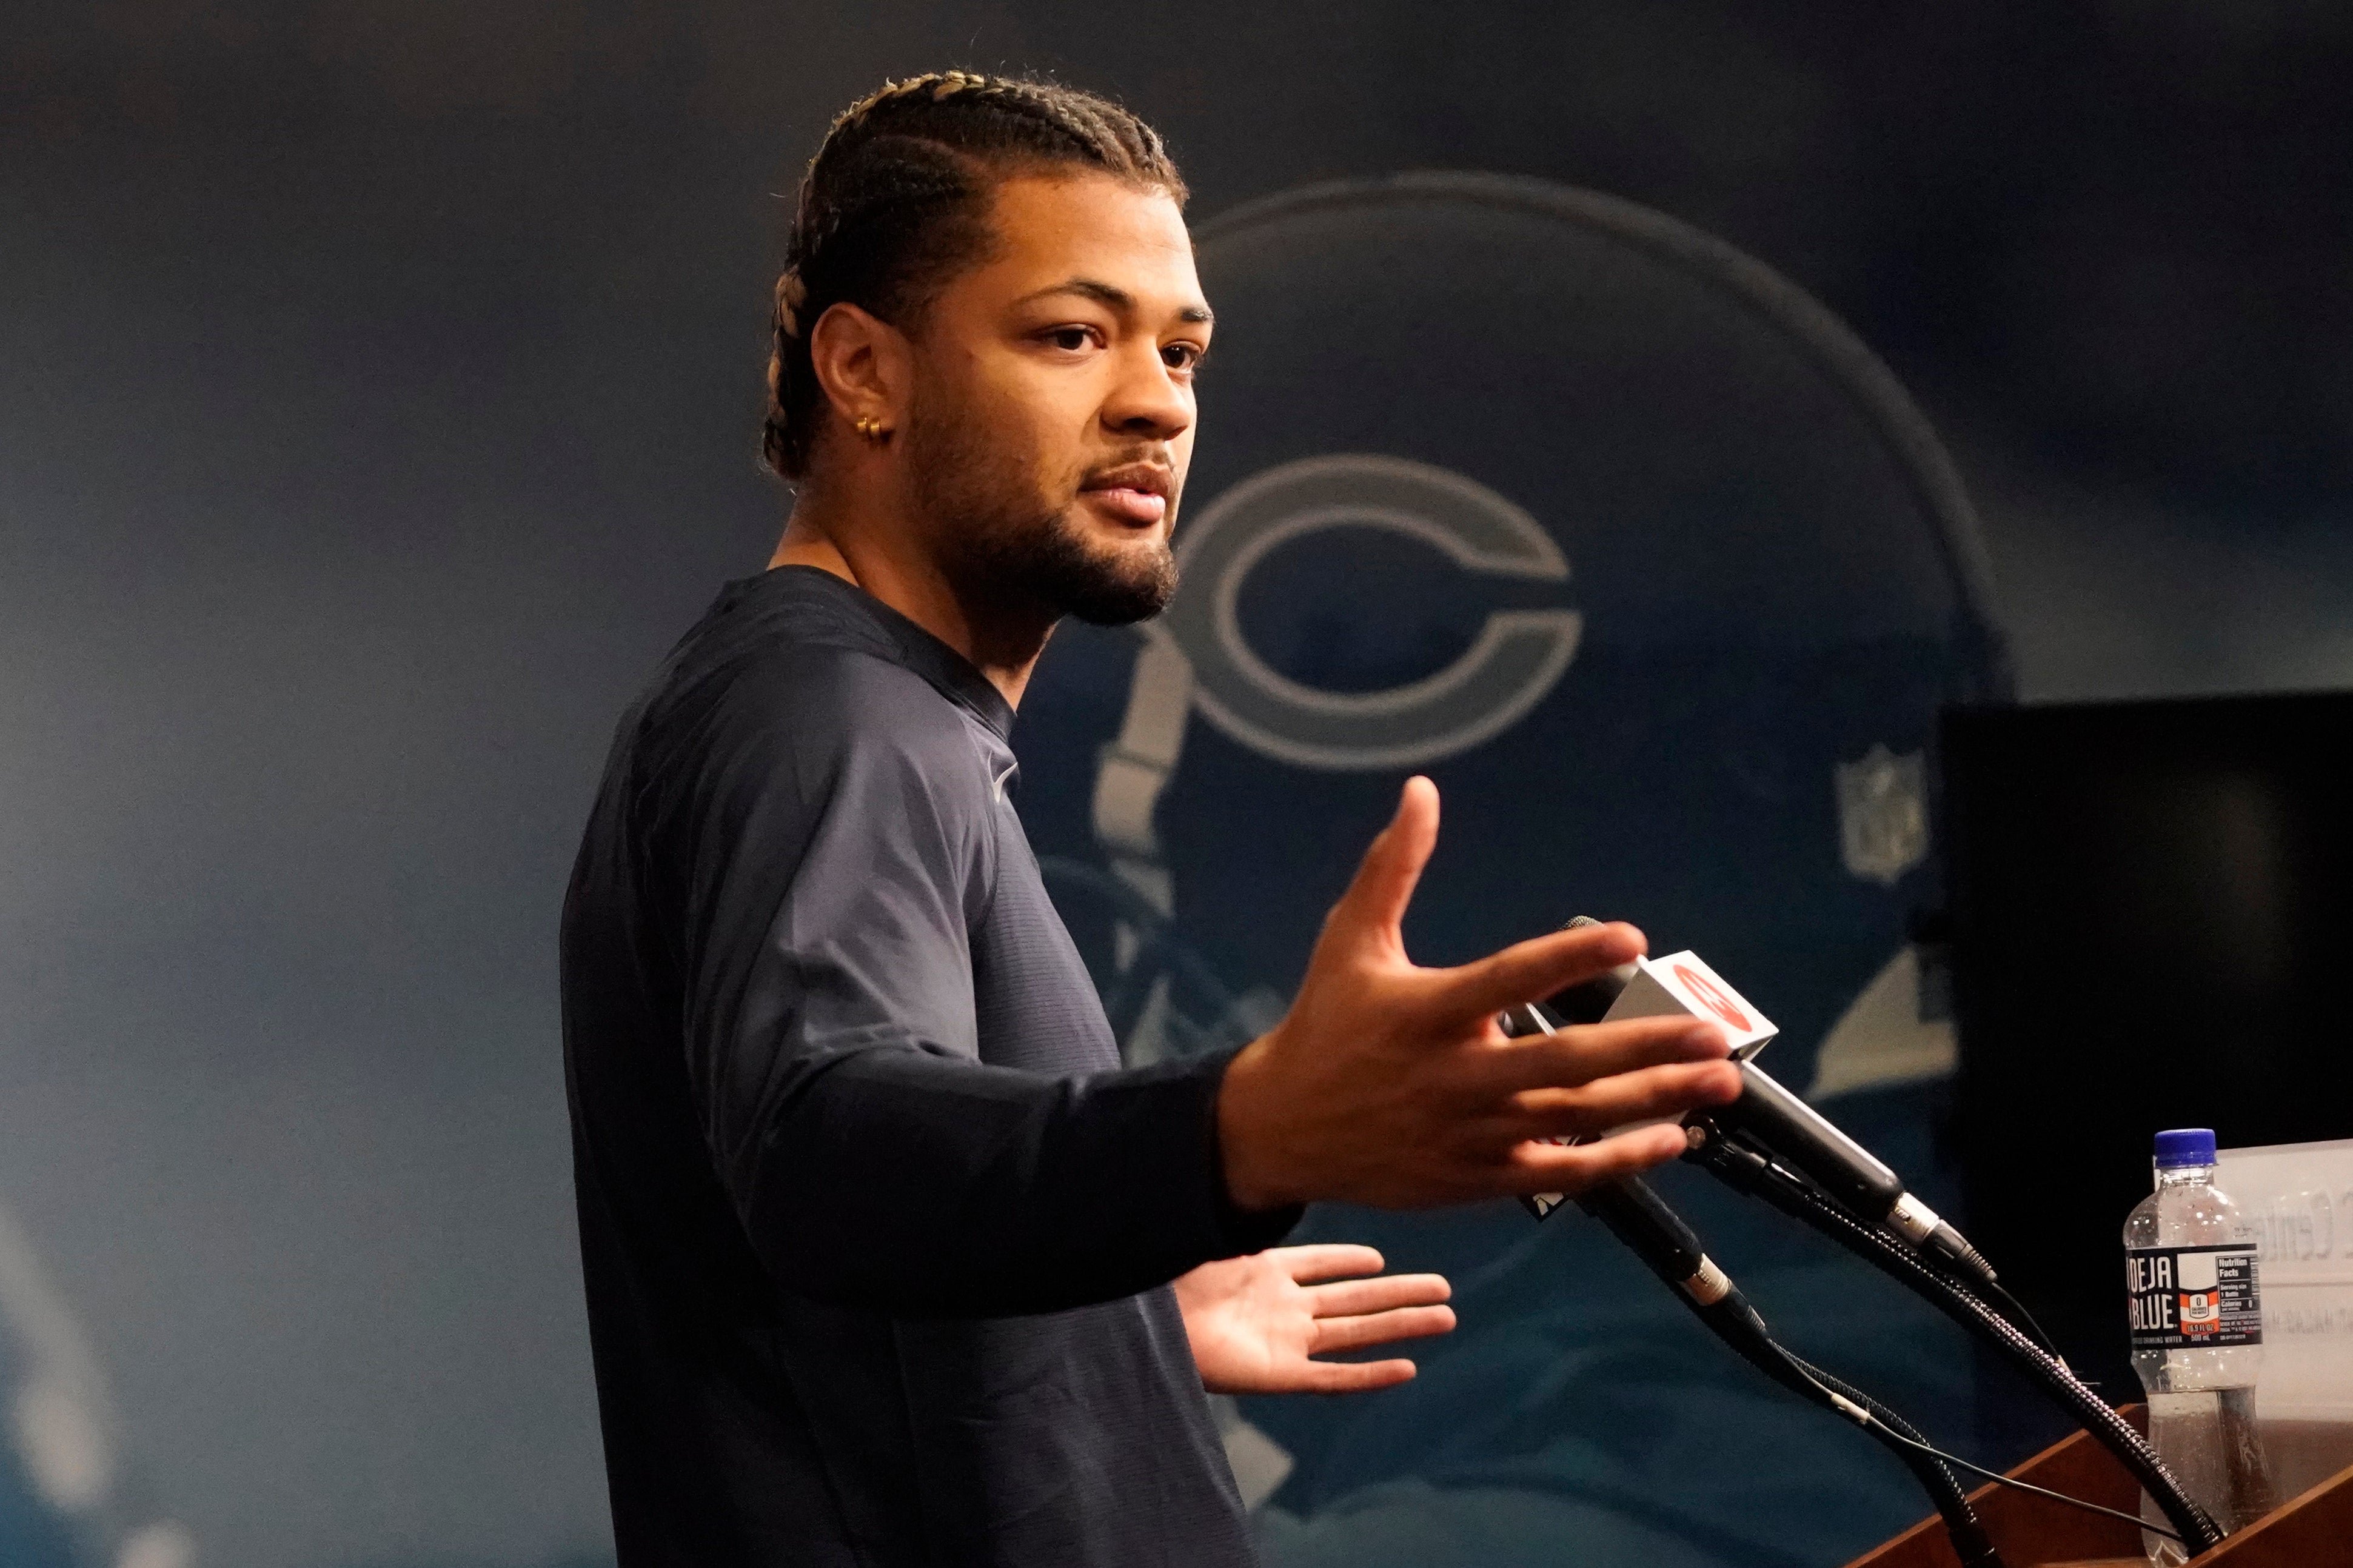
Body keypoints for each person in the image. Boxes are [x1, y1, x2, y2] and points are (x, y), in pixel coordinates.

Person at [559, 70, 1738, 1567]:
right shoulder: (826, 716)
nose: (1157, 400)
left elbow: (838, 1271)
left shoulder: (877, 715)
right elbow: (819, 1143)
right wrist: (1242, 1128)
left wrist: (1113, 1323)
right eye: (1071, 334)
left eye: (1182, 350)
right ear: (863, 369)